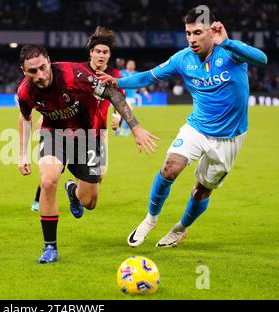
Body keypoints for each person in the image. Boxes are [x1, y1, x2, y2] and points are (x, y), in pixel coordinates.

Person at [98, 7, 268, 248]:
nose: (192, 39)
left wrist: (228, 42)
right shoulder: (183, 59)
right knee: (170, 167)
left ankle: (180, 229)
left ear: (212, 30)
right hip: (197, 128)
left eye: (197, 33)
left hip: (229, 138)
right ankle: (150, 219)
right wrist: (119, 81)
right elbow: (149, 76)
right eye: (188, 33)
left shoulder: (230, 52)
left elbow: (262, 60)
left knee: (201, 191)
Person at [17, 44, 158, 263]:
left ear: (49, 61)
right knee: (47, 181)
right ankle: (50, 247)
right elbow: (25, 118)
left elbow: (113, 94)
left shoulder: (75, 75)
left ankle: (73, 191)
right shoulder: (25, 91)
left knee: (89, 202)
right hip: (54, 135)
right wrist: (22, 154)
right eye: (32, 71)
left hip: (88, 138)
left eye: (42, 67)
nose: (40, 75)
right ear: (24, 71)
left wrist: (135, 128)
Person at [30, 26, 123, 212]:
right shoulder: (78, 71)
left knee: (100, 175)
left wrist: (118, 117)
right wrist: (45, 117)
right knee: (55, 167)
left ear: (109, 55)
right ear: (91, 53)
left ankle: (73, 191)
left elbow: (119, 99)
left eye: (105, 52)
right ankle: (39, 197)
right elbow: (56, 97)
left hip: (98, 132)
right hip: (68, 127)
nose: (101, 55)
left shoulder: (115, 76)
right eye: (98, 51)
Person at [115, 60, 151, 137]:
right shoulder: (121, 73)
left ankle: (125, 131)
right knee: (118, 114)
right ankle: (117, 129)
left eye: (132, 64)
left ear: (134, 66)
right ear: (126, 65)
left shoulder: (137, 74)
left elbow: (141, 86)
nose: (131, 65)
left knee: (127, 114)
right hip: (120, 96)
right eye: (129, 64)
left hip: (131, 98)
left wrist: (146, 94)